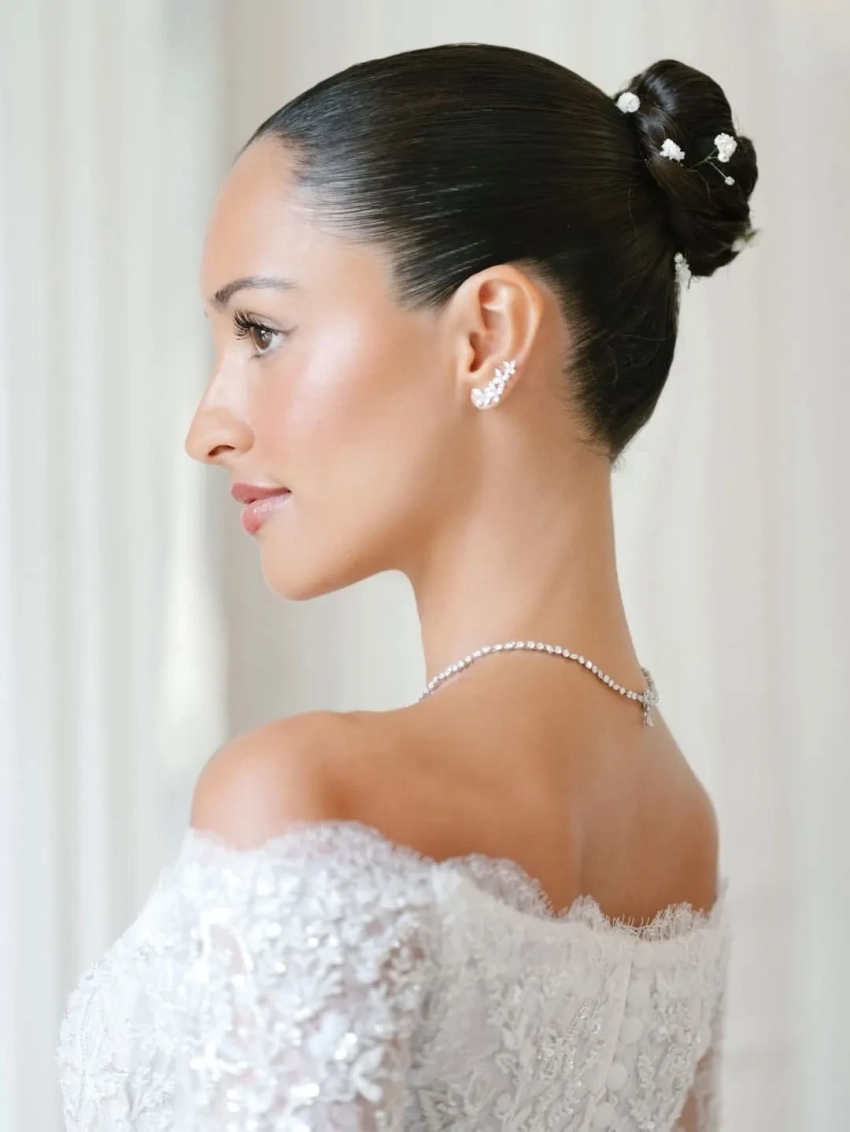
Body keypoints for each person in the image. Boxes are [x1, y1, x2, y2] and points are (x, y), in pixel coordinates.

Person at [55, 43, 758, 1131]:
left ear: (486, 334)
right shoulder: (679, 832)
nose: (208, 428)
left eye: (260, 332)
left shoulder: (303, 798)